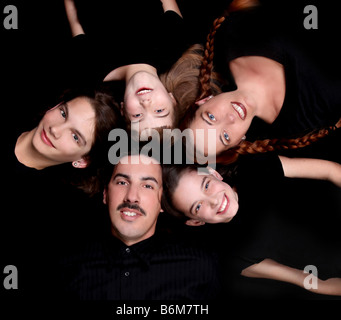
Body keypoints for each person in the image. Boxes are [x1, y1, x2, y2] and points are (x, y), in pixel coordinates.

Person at [171, 0, 341, 162]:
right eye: (225, 136)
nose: (230, 118)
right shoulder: (307, 120)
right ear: (239, 142)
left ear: (204, 100)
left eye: (211, 117)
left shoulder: (228, 37)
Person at [161, 148, 341, 296]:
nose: (213, 201)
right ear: (194, 222)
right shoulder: (231, 255)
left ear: (213, 172)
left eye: (206, 185)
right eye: (198, 207)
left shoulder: (254, 168)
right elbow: (311, 281)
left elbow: (330, 171)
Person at [59, 152, 223, 299]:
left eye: (147, 186)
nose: (132, 197)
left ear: (161, 203)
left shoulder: (199, 268)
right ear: (105, 194)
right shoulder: (67, 267)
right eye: (122, 182)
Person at [63, 0, 189, 134]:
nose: (146, 103)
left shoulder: (90, 69)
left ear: (122, 110)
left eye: (138, 116)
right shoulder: (174, 43)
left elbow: (73, 15)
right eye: (159, 110)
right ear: (172, 99)